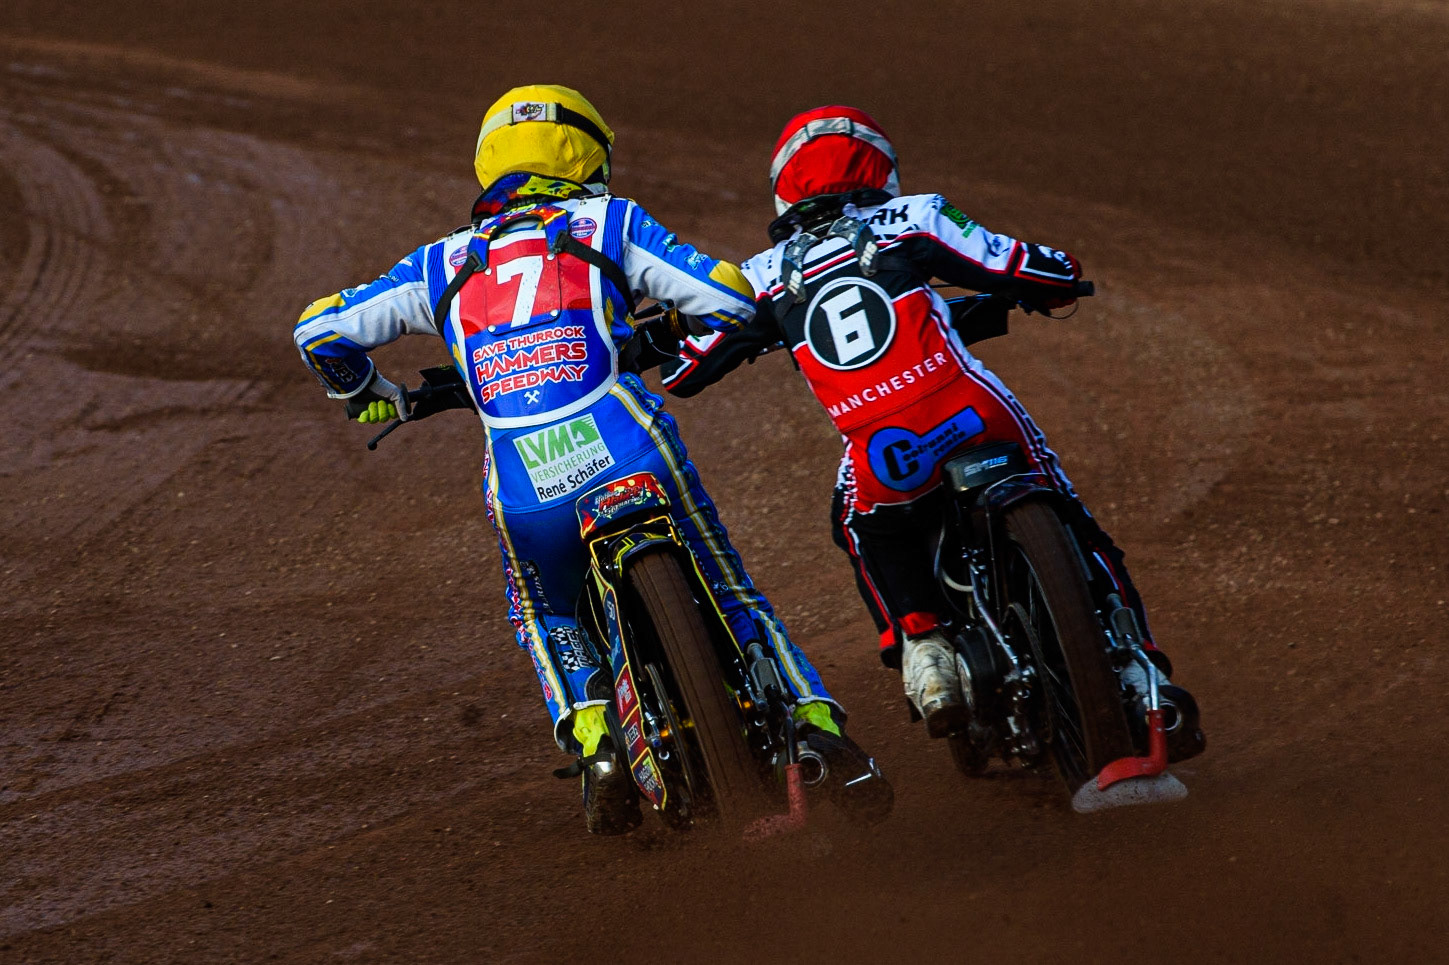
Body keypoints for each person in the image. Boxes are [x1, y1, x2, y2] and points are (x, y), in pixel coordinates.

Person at [293, 87, 892, 833]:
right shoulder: (610, 221)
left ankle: (594, 738)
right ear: (584, 156)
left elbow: (318, 330)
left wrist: (374, 390)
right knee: (726, 583)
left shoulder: (436, 263)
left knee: (544, 607)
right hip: (624, 440)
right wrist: (661, 328)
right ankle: (818, 728)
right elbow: (730, 301)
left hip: (523, 478)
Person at [662, 106, 1203, 761]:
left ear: (785, 189)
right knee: (1070, 513)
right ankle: (1144, 676)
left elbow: (685, 369)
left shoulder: (758, 275)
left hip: (883, 452)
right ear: (880, 171)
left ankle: (922, 647)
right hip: (971, 411)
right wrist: (1059, 278)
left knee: (857, 521)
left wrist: (671, 340)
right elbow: (1024, 266)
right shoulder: (914, 216)